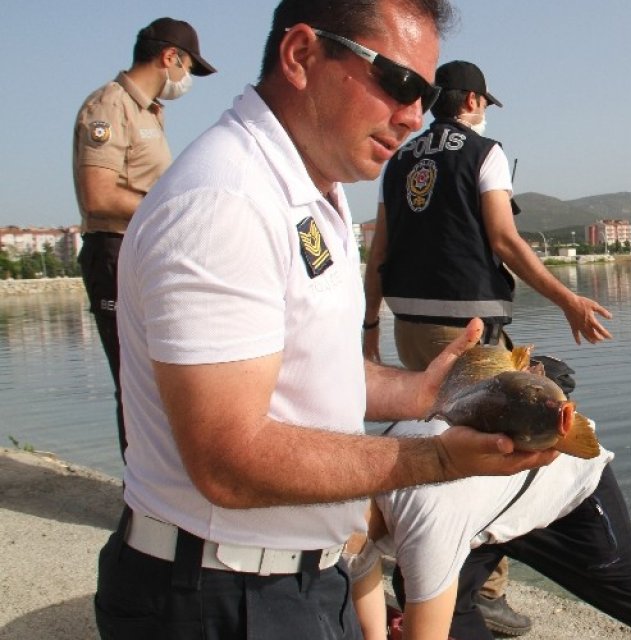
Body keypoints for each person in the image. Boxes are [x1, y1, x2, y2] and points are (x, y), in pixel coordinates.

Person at [93, 1, 556, 638]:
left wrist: (423, 392)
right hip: (217, 596)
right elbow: (228, 459)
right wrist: (437, 464)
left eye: (424, 93)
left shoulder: (312, 192)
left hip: (305, 578)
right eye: (399, 83)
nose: (413, 114)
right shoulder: (225, 200)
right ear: (302, 55)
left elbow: (311, 372)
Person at [361, 59, 613, 634]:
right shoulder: (484, 152)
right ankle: (480, 592)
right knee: (491, 450)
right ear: (472, 100)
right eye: (483, 102)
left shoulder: (399, 157)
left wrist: (369, 329)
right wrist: (567, 300)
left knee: (435, 442)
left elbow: (379, 254)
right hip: (468, 334)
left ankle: (422, 571)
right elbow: (503, 237)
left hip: (409, 326)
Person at [348, 419, 631, 640]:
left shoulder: (425, 514)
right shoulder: (344, 506)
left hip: (567, 494)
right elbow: (360, 571)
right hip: (487, 511)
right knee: (421, 592)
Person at [72, 17, 216, 461]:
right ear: (170, 57)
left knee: (158, 380)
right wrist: (173, 207)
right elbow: (98, 196)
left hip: (141, 255)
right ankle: (138, 501)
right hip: (113, 253)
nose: (186, 80)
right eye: (189, 68)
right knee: (134, 382)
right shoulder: (110, 107)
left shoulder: (149, 112)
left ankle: (158, 487)